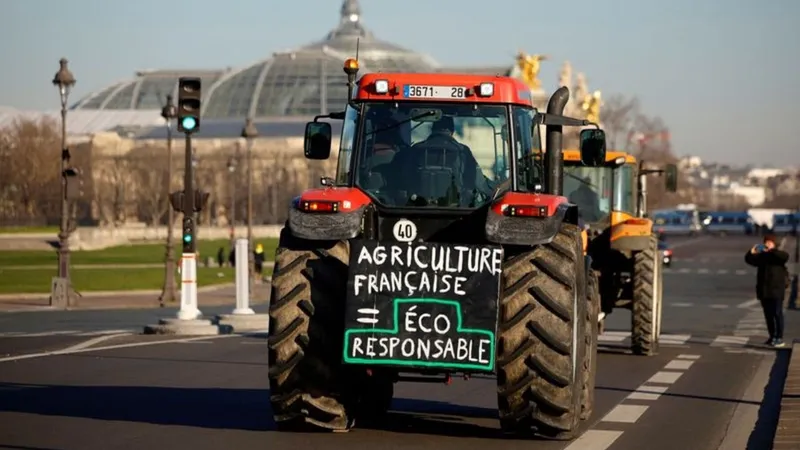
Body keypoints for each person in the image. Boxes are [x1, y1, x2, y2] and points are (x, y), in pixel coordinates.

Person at [745, 233, 790, 347]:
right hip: (764, 290)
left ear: (774, 244)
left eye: (769, 242)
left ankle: (779, 337)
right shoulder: (762, 256)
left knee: (777, 313)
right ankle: (772, 336)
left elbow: (784, 256)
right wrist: (753, 251)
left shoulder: (778, 255)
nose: (766, 244)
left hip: (776, 289)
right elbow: (750, 260)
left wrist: (771, 250)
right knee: (768, 315)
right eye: (765, 242)